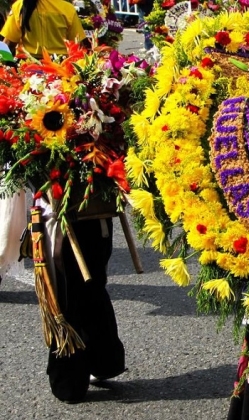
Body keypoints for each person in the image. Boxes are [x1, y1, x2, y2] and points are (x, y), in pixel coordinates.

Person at [0, 0, 125, 403]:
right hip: (69, 124)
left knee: (65, 279)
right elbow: (84, 50)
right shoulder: (65, 9)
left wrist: (22, 74)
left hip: (48, 111)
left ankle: (71, 377)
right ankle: (104, 359)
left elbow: (7, 48)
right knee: (91, 273)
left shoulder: (23, 7)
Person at [0, 0, 90, 57]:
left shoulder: (20, 6)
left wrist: (7, 71)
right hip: (61, 68)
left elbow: (6, 45)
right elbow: (78, 44)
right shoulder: (67, 9)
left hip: (27, 70)